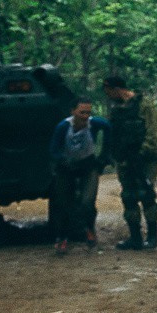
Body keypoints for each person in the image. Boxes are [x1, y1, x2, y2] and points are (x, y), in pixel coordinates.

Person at [101, 74, 157, 251]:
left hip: (145, 159)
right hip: (125, 160)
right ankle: (135, 237)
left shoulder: (144, 104)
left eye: (108, 91)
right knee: (128, 197)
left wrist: (143, 152)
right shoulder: (117, 109)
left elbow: (153, 131)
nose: (108, 95)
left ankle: (152, 237)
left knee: (146, 195)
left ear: (116, 89)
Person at [48, 99, 110, 254]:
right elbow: (53, 149)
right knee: (63, 203)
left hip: (88, 166)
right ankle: (61, 238)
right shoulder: (63, 127)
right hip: (66, 168)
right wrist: (63, 160)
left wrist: (104, 156)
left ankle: (89, 229)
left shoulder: (94, 124)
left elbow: (110, 128)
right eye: (82, 112)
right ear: (73, 111)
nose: (85, 116)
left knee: (87, 201)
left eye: (88, 112)